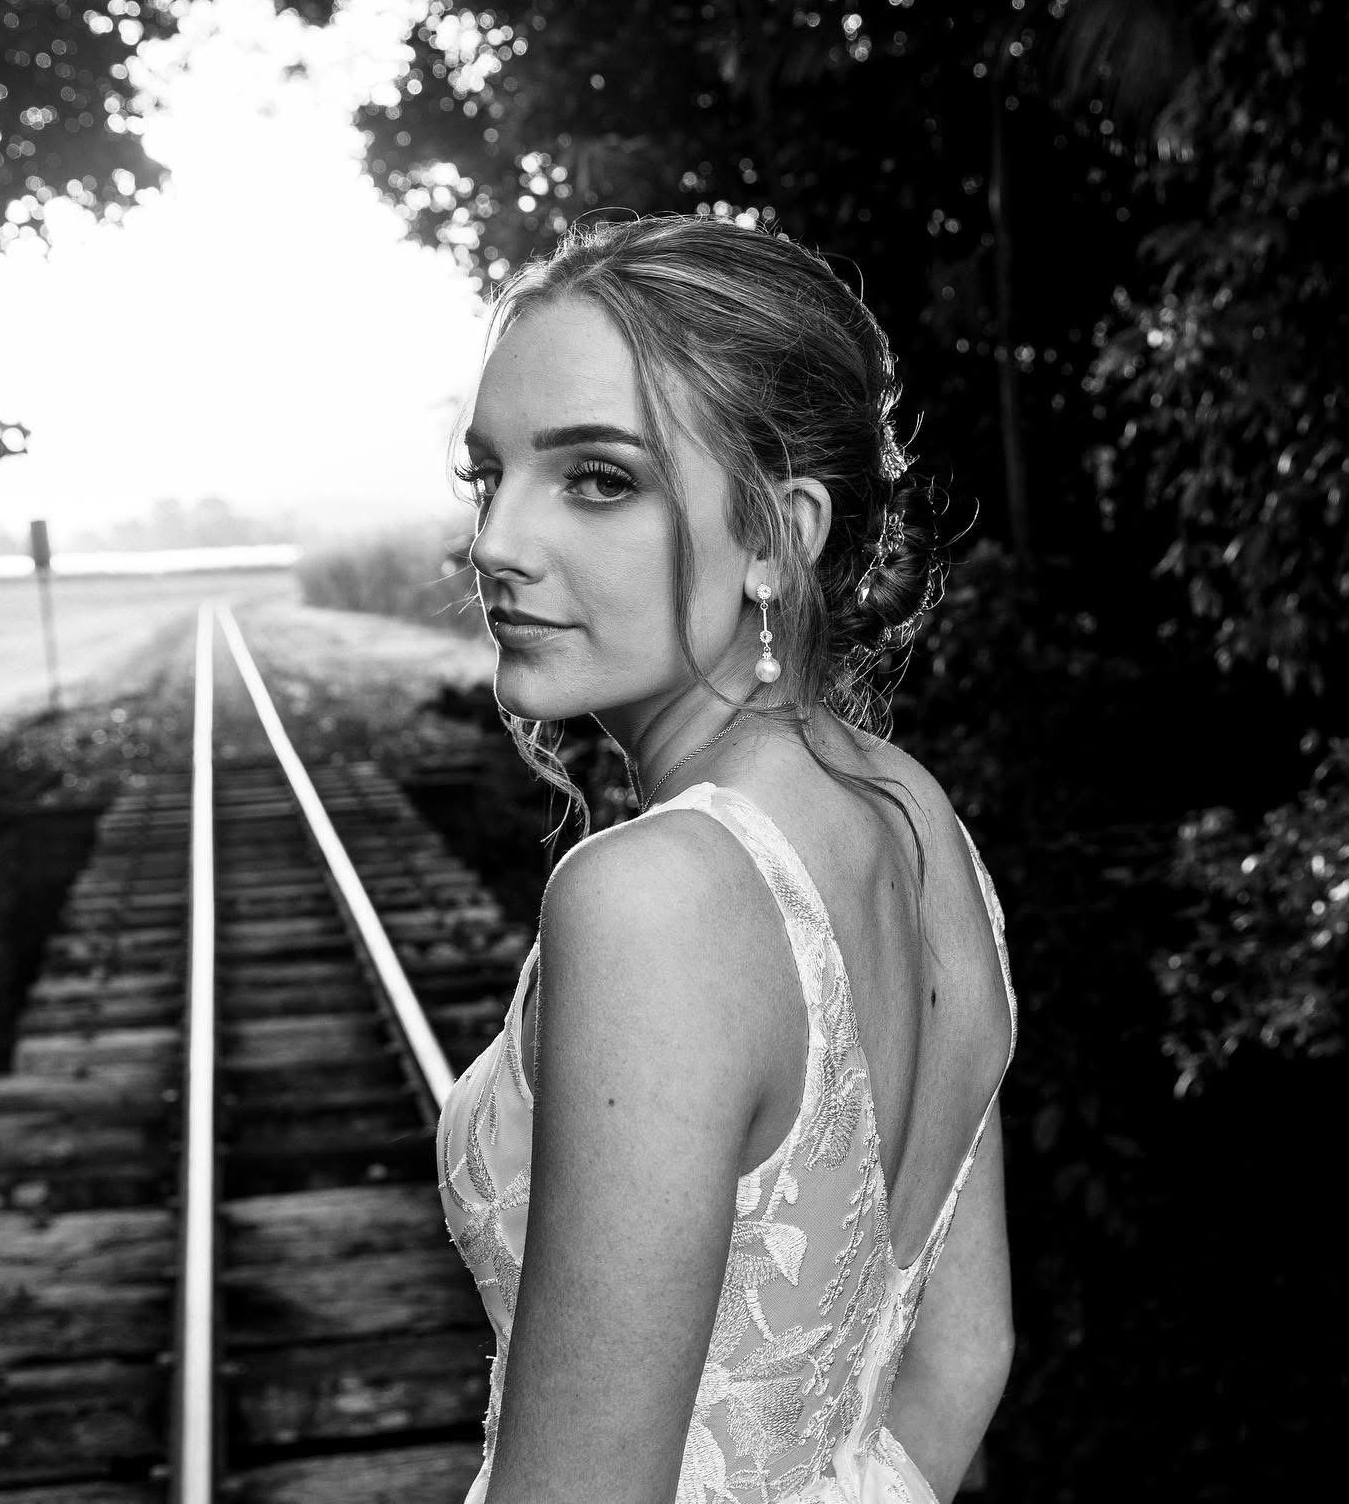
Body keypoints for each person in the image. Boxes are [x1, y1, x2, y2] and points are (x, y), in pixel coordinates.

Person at [435, 214, 1016, 1504]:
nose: (499, 542)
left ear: (779, 535)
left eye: (597, 479)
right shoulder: (917, 824)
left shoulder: (654, 899)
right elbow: (963, 1357)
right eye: (490, 474)